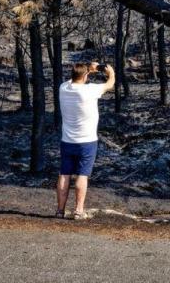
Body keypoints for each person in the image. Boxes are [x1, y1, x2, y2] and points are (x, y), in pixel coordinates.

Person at [56, 61, 114, 220]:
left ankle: (60, 210)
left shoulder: (63, 88)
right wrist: (111, 72)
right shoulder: (90, 90)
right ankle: (78, 210)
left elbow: (74, 79)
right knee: (82, 175)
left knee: (64, 174)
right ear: (86, 76)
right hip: (87, 141)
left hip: (67, 140)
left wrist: (88, 70)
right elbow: (110, 84)